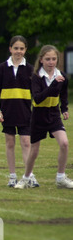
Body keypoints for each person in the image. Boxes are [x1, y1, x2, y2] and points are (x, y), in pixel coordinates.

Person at [15, 45, 73, 189]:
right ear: (41, 60)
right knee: (34, 150)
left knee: (64, 143)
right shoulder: (36, 77)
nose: (51, 62)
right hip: (38, 116)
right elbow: (38, 98)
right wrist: (53, 84)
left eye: (54, 59)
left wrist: (64, 108)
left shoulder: (62, 77)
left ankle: (61, 178)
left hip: (53, 115)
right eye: (47, 59)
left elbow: (64, 95)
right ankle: (26, 178)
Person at [0, 35, 35, 187]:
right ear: (10, 49)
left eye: (22, 48)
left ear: (25, 50)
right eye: (16, 48)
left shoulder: (31, 70)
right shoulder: (1, 68)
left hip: (25, 113)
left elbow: (36, 94)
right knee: (10, 143)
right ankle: (12, 176)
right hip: (7, 112)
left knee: (26, 142)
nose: (18, 51)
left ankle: (29, 176)